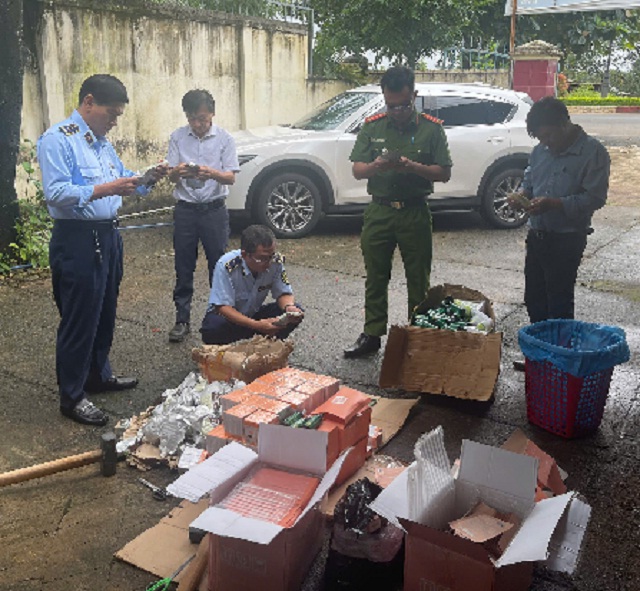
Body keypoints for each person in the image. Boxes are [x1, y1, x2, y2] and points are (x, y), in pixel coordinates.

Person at [37, 74, 167, 426]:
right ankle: (73, 395)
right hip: (77, 238)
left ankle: (98, 375)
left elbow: (123, 177)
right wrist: (109, 188)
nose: (114, 122)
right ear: (89, 102)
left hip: (108, 235)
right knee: (80, 318)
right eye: (111, 113)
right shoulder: (57, 140)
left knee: (105, 311)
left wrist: (148, 177)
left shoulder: (101, 143)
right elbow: (57, 193)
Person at [344, 66, 452, 358]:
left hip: (414, 212)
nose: (397, 111)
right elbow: (357, 170)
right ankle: (372, 334)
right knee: (376, 276)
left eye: (403, 105)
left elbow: (443, 173)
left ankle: (417, 336)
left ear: (414, 96)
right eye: (391, 105)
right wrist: (377, 165)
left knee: (418, 278)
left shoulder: (432, 128)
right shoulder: (373, 125)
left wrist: (412, 166)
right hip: (379, 211)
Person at [508, 96, 610, 371]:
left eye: (549, 136)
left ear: (564, 124)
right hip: (538, 235)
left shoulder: (593, 152)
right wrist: (521, 196)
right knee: (534, 299)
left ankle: (561, 363)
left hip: (567, 238)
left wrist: (556, 204)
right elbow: (529, 182)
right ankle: (539, 357)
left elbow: (595, 197)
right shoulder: (540, 150)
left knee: (559, 302)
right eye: (541, 138)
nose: (546, 143)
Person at [166, 89, 240, 343]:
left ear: (212, 114)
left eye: (202, 119)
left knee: (218, 266)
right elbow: (171, 176)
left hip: (214, 210)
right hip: (186, 211)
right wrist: (177, 172)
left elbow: (230, 176)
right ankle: (182, 319)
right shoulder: (177, 137)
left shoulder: (225, 139)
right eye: (192, 119)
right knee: (183, 265)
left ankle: (219, 317)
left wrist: (211, 173)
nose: (197, 124)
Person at [200, 225, 304, 345]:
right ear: (245, 255)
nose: (268, 263)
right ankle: (222, 353)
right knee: (213, 327)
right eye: (262, 259)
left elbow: (283, 292)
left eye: (271, 256)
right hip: (231, 320)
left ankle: (268, 347)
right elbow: (222, 307)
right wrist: (257, 325)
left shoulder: (275, 262)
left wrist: (289, 307)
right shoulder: (226, 265)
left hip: (254, 315)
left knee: (295, 312)